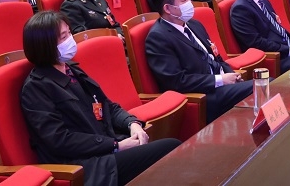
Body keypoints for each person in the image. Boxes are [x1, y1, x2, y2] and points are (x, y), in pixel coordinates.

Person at [19, 11, 179, 186]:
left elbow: (106, 106)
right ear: (45, 46)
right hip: (84, 164)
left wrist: (131, 123)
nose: (70, 40)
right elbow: (60, 140)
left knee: (164, 151)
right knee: (170, 147)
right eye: (63, 37)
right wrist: (116, 145)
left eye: (69, 33)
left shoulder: (71, 70)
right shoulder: (35, 88)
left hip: (105, 146)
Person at [146, 0, 253, 122]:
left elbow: (216, 57)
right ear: (168, 8)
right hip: (204, 95)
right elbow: (177, 81)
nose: (189, 3)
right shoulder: (158, 37)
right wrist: (220, 80)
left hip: (224, 84)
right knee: (264, 86)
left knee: (263, 84)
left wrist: (231, 74)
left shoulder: (194, 24)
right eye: (184, 0)